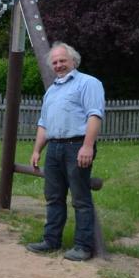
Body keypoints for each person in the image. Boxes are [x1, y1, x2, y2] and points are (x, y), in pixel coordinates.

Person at [26, 42, 105, 261]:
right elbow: (44, 123)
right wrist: (37, 150)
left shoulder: (88, 83)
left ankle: (83, 246)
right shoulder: (52, 91)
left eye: (62, 61)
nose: (59, 65)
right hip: (54, 147)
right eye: (55, 62)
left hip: (77, 146)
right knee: (53, 197)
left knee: (80, 198)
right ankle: (51, 240)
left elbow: (94, 115)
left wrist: (87, 146)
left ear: (73, 61)